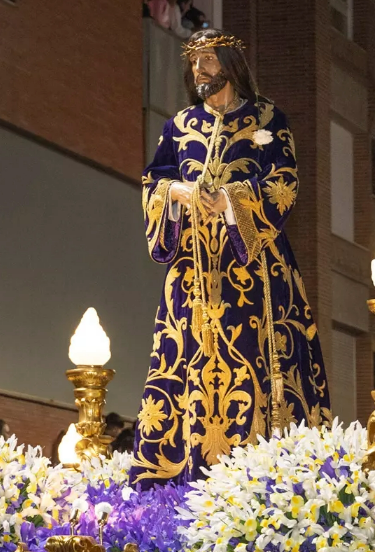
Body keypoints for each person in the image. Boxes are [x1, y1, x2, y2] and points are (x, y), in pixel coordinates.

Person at [134, 29, 332, 488]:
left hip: (254, 265)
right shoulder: (179, 125)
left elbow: (286, 180)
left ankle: (265, 478)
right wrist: (177, 192)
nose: (199, 70)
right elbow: (152, 183)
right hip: (193, 273)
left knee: (257, 360)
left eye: (208, 60)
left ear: (230, 63)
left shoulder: (267, 117)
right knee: (189, 359)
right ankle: (178, 476)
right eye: (194, 62)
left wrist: (230, 201)